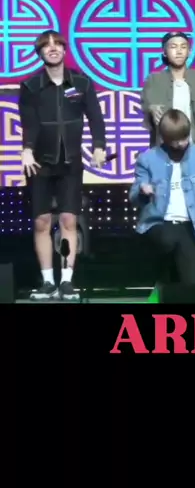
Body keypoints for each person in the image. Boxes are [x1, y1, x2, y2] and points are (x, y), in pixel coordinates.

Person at [18, 29, 107, 301]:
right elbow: (29, 122)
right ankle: (47, 282)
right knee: (42, 221)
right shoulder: (31, 86)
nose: (53, 48)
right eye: (46, 46)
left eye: (57, 44)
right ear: (40, 53)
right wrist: (27, 150)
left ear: (65, 50)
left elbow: (95, 116)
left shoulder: (80, 82)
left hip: (71, 161)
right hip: (40, 163)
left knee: (69, 219)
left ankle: (67, 281)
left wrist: (99, 146)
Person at [129, 108, 195, 284]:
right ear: (164, 138)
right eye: (176, 140)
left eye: (185, 138)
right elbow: (134, 197)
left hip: (191, 225)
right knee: (168, 240)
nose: (182, 144)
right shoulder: (148, 159)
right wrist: (142, 189)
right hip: (159, 223)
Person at [140, 32, 195, 164]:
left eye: (183, 47)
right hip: (164, 152)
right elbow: (146, 104)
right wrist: (151, 108)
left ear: (189, 52)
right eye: (173, 47)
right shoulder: (154, 80)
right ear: (164, 52)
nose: (179, 51)